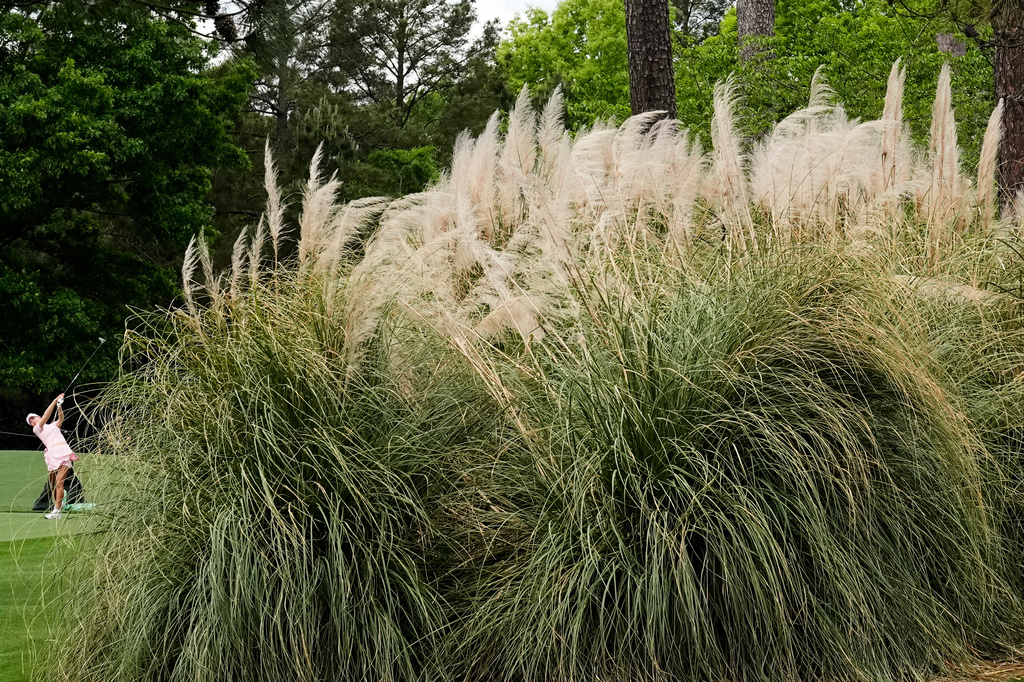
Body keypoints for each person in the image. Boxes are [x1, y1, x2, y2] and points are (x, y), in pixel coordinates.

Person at [26, 393, 78, 519]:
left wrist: (59, 406)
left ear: (37, 417)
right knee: (53, 484)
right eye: (31, 421)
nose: (33, 421)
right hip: (52, 456)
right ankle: (57, 510)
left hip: (64, 453)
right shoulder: (37, 429)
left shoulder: (53, 426)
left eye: (34, 418)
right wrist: (55, 400)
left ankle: (56, 510)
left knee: (60, 482)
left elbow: (61, 418)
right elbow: (46, 415)